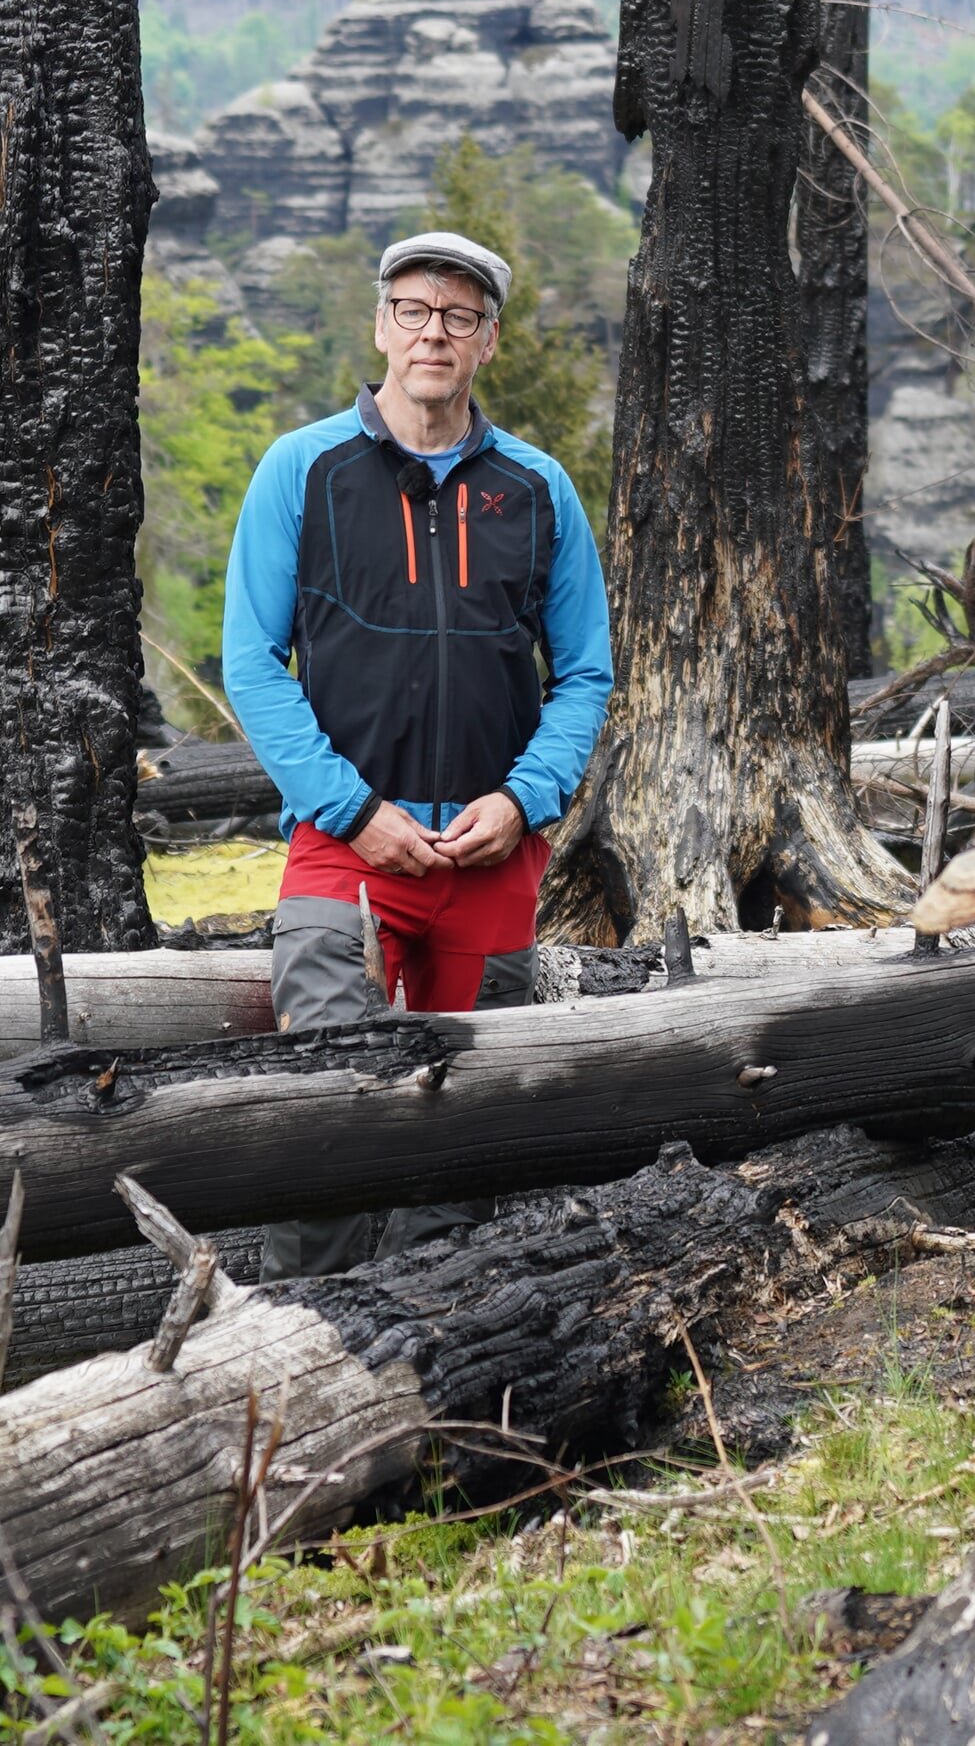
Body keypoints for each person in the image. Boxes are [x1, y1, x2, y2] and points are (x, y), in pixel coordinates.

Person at [220, 229, 615, 1276]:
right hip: (344, 855)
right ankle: (294, 1360)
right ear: (380, 326)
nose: (431, 332)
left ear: (487, 340)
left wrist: (527, 800)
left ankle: (442, 1391)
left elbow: (583, 674)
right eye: (412, 310)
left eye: (458, 315)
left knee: (466, 1154)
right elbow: (252, 662)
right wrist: (352, 812)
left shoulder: (538, 490)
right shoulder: (301, 472)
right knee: (328, 1121)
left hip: (491, 861)